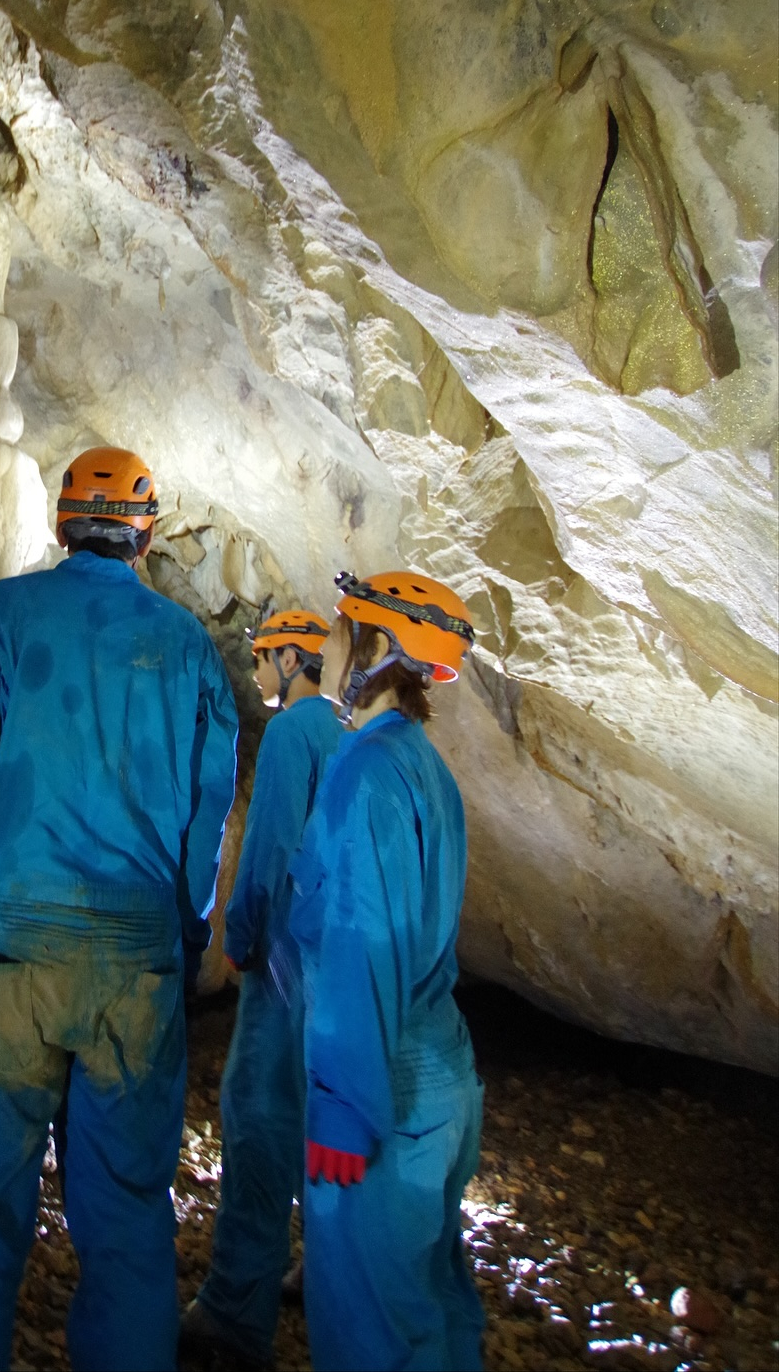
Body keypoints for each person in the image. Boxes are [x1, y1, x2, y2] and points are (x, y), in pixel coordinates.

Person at [0, 446, 240, 1372]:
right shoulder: (188, 649)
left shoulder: (8, 615)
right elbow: (206, 824)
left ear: (61, 524)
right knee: (128, 1222)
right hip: (135, 961)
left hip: (9, 949)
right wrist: (183, 940)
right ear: (149, 536)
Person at [291, 570, 486, 1372]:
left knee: (372, 1330)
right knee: (432, 1305)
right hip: (440, 1081)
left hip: (382, 1091)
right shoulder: (426, 771)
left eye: (343, 629)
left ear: (377, 649)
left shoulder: (365, 774)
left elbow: (360, 945)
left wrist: (343, 1106)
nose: (331, 644)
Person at [181, 609, 340, 1368]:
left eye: (264, 656)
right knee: (323, 1125)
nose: (256, 670)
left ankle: (234, 1312)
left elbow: (270, 846)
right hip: (337, 970)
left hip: (283, 965)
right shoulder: (351, 736)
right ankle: (329, 1270)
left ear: (292, 658)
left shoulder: (291, 734)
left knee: (256, 1124)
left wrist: (239, 936)